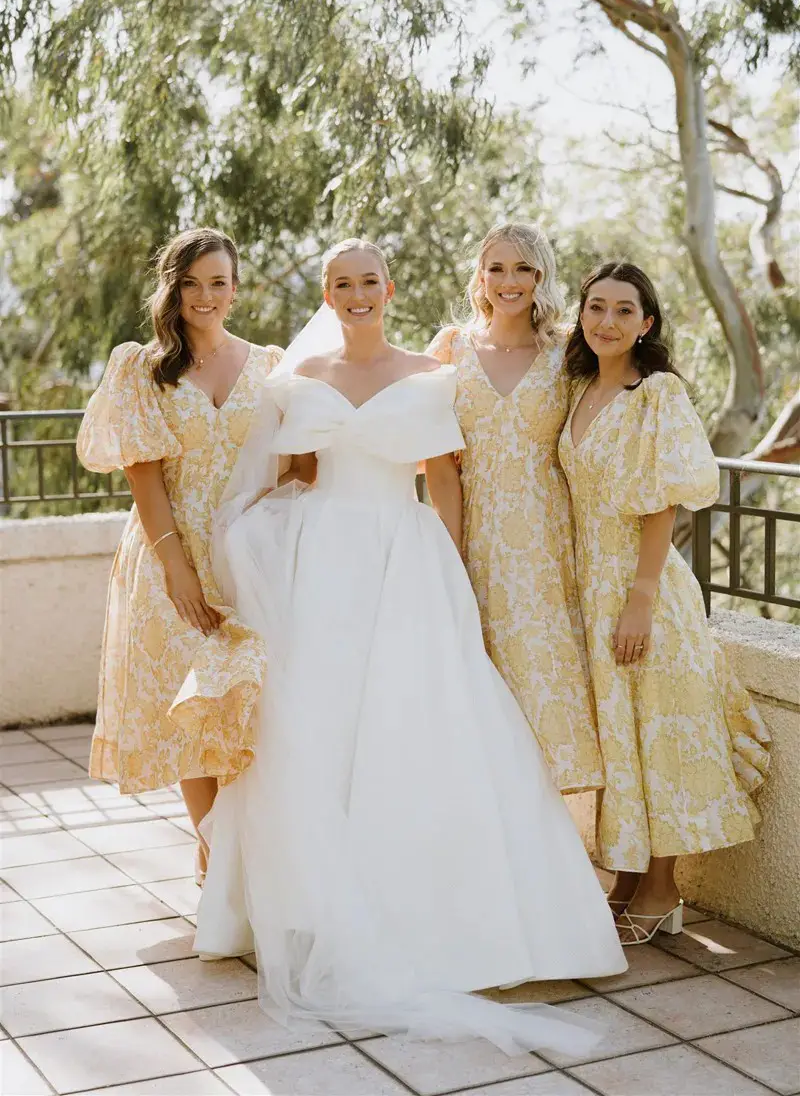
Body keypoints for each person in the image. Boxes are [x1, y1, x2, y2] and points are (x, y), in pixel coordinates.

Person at [191, 237, 626, 1057]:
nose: (356, 294)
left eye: (368, 282)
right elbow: (287, 476)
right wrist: (256, 551)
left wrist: (452, 572)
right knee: (317, 732)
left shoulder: (431, 379)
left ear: (390, 288)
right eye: (340, 283)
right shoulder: (297, 382)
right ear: (328, 292)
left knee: (414, 725)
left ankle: (437, 912)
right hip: (321, 567)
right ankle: (307, 908)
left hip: (404, 556)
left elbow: (447, 481)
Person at [558, 260, 770, 945]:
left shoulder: (658, 394)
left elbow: (663, 500)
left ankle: (662, 887)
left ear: (646, 324)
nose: (607, 321)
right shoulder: (580, 388)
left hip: (644, 587)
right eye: (596, 307)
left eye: (624, 310)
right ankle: (625, 876)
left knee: (659, 734)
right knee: (619, 736)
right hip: (592, 588)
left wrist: (641, 599)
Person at [77, 227, 283, 882]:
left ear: (236, 287)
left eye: (218, 282)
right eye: (191, 283)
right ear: (173, 288)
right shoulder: (144, 367)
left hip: (247, 557)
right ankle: (221, 862)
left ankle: (219, 852)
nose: (205, 296)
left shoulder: (271, 365)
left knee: (243, 703)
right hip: (172, 552)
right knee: (193, 708)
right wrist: (176, 569)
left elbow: (291, 464)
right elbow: (143, 476)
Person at [428, 223, 603, 795]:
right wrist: (449, 554)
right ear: (480, 276)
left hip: (551, 548)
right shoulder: (451, 349)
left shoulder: (568, 351)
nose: (510, 281)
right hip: (476, 543)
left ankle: (566, 840)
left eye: (523, 269)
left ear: (541, 277)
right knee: (483, 680)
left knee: (550, 678)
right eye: (497, 268)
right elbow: (440, 466)